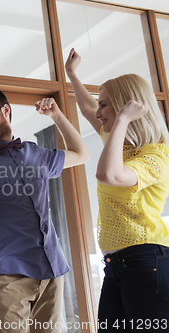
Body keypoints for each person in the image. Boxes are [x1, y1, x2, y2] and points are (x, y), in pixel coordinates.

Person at [0, 86, 90, 333]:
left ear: (5, 110)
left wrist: (56, 116)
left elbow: (82, 154)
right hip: (9, 273)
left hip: (51, 267)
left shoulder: (35, 152)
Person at [65, 48, 169, 331]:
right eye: (100, 105)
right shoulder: (120, 146)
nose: (97, 112)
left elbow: (108, 174)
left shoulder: (156, 157)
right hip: (116, 264)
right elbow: (88, 110)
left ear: (125, 108)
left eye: (105, 105)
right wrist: (72, 75)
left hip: (148, 260)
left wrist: (121, 119)